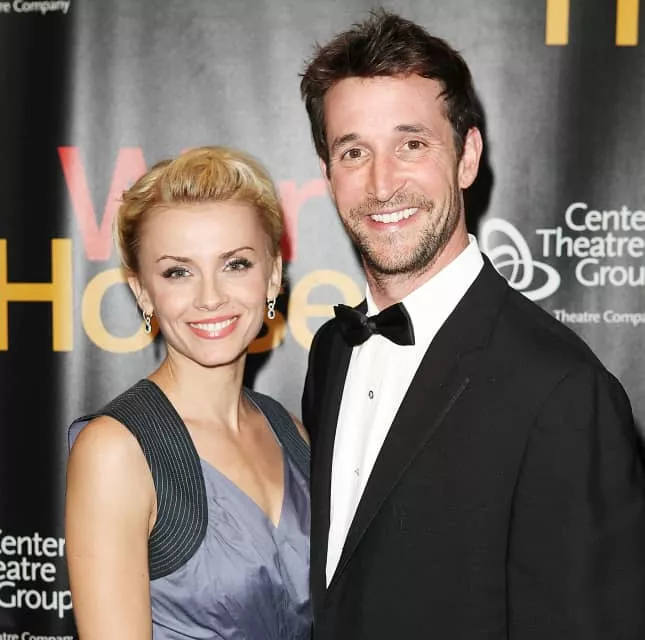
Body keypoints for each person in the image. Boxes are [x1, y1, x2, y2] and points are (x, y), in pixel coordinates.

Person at [299, 10, 645, 640]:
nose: (382, 183)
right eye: (354, 152)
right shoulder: (332, 352)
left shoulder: (563, 392)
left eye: (412, 144)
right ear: (328, 177)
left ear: (467, 157)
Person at [65, 146, 312, 640]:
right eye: (178, 271)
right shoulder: (116, 452)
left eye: (235, 264)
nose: (210, 297)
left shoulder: (292, 433)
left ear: (272, 277)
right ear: (142, 292)